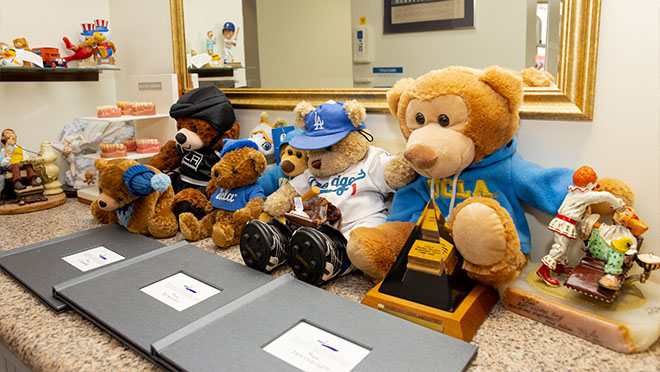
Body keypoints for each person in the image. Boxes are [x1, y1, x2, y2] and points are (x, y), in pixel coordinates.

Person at [537, 166, 623, 286]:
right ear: (590, 183)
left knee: (565, 246)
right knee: (560, 247)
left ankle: (558, 266)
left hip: (565, 223)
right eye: (595, 183)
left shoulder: (574, 192)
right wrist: (617, 203)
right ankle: (544, 270)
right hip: (564, 224)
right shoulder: (584, 195)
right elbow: (604, 196)